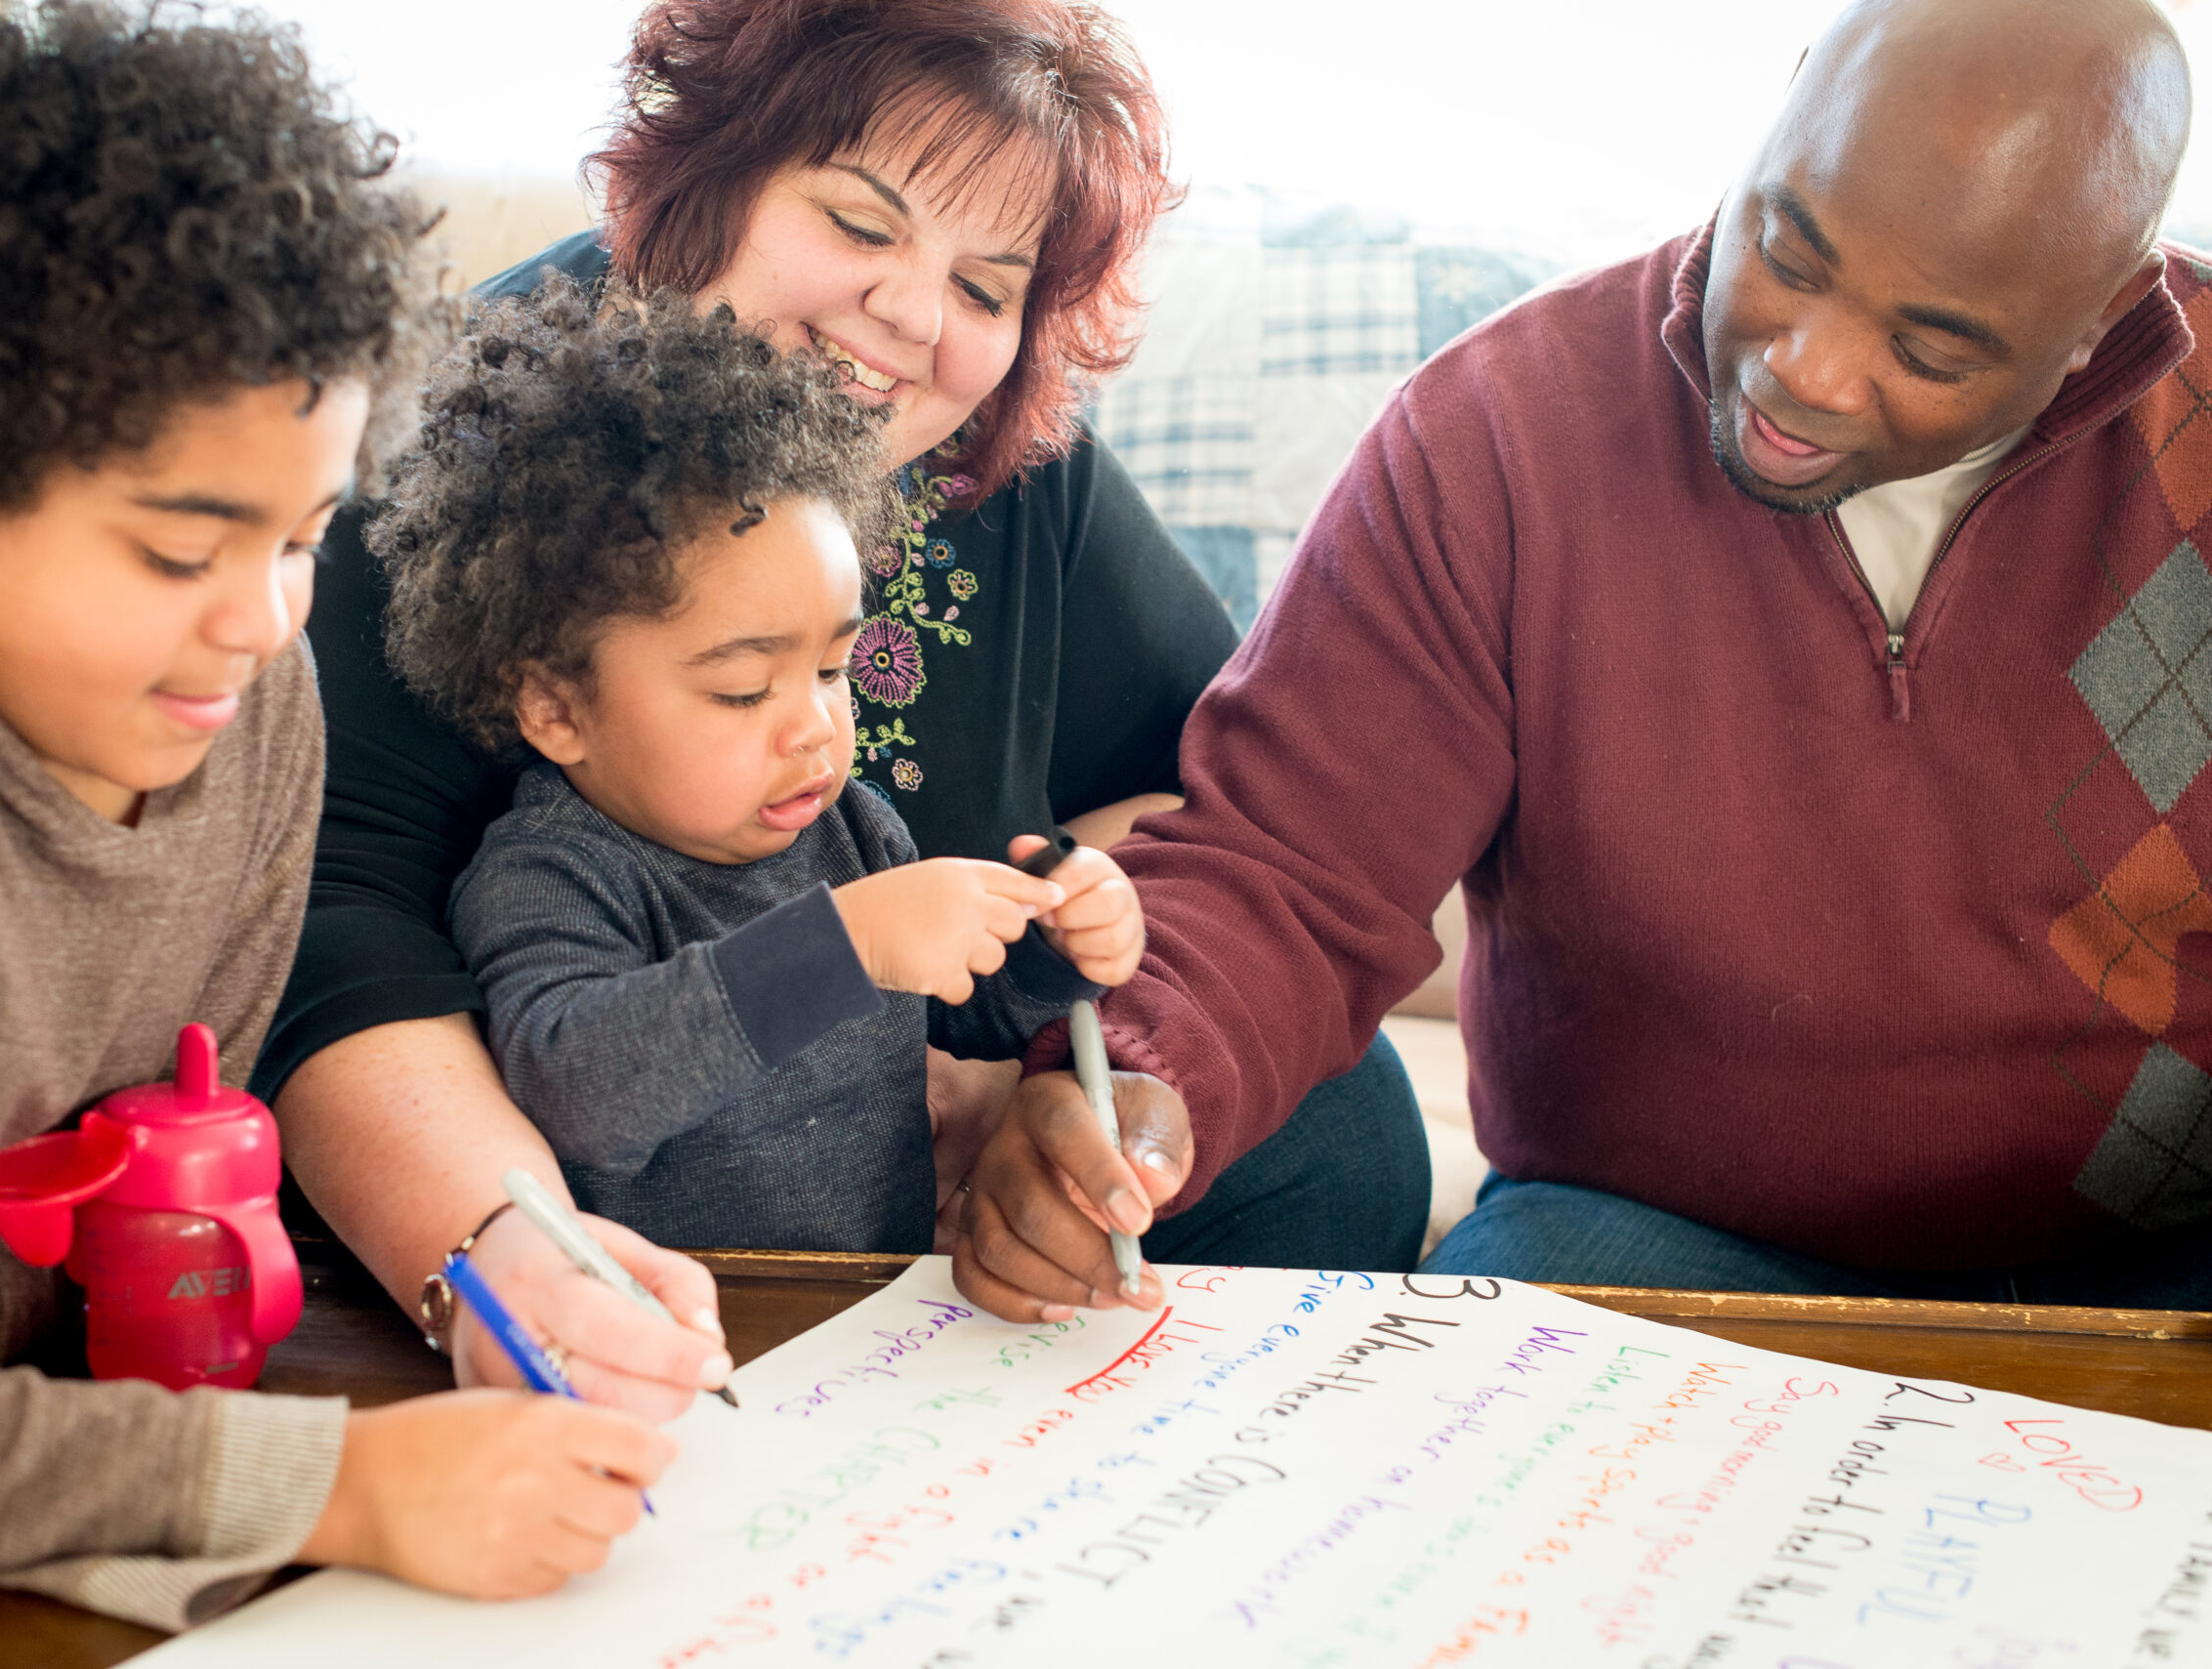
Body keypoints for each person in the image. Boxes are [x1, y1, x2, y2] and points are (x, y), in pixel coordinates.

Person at [945, 0, 2212, 1319]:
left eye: (1930, 347)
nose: (1809, 372)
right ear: (1783, 110)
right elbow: (1291, 871)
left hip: (2166, 1252)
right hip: (1649, 1228)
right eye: (1788, 250)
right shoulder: (1496, 435)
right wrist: (1135, 1087)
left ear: (2102, 315)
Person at [267, 0, 1432, 1379]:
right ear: (707, 172)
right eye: (861, 223)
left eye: (986, 288)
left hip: (887, 1183)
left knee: (1344, 1123)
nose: (914, 315)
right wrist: (509, 1253)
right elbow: (334, 939)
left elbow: (1211, 798)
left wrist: (1033, 1064)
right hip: (569, 1162)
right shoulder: (473, 456)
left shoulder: (996, 462)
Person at [0, 1, 674, 1627]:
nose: (261, 619)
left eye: (302, 535)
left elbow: (148, 1187)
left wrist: (494, 1266)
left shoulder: (242, 693)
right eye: (177, 550)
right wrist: (339, 1484)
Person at [381, 282, 1146, 1253]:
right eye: (744, 690)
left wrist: (1051, 948)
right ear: (555, 708)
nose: (815, 728)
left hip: (879, 1309)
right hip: (692, 1320)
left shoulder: (855, 830)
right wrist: (843, 945)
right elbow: (580, 1092)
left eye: (832, 669)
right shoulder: (554, 873)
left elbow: (969, 1017)